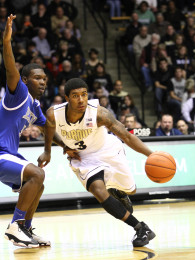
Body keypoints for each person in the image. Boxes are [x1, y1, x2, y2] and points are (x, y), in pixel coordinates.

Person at [40, 78, 156, 247]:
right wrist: (54, 149)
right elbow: (47, 129)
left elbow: (127, 136)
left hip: (107, 150)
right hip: (83, 158)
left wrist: (151, 155)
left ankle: (120, 193)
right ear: (67, 98)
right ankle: (140, 227)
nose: (81, 100)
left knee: (131, 190)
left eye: (84, 95)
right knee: (98, 191)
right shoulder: (53, 114)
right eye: (75, 96)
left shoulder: (99, 113)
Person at [1, 15, 55, 248]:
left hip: (7, 154)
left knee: (38, 183)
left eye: (44, 79)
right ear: (25, 80)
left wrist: (51, 150)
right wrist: (6, 42)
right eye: (37, 78)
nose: (43, 82)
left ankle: (25, 228)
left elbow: (48, 126)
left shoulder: (34, 106)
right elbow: (10, 67)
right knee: (37, 175)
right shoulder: (19, 93)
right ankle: (15, 225)